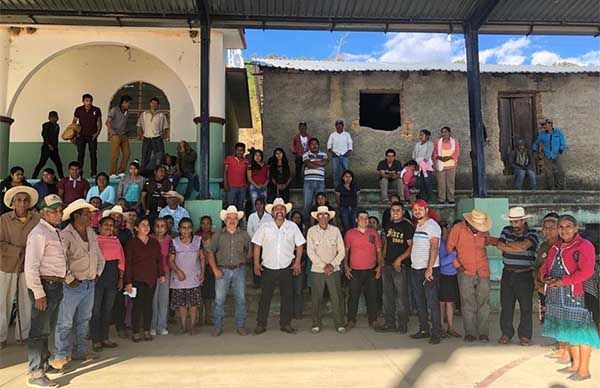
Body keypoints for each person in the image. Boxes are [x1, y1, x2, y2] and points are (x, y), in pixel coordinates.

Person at [540, 215, 599, 381]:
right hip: (558, 296)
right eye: (561, 227)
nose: (564, 230)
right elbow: (545, 267)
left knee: (582, 332)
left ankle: (584, 371)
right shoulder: (555, 247)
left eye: (568, 226)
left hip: (577, 295)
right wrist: (546, 278)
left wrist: (563, 281)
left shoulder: (584, 245)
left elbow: (586, 271)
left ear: (576, 228)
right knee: (570, 331)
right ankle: (575, 365)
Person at [51, 199, 105, 370]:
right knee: (65, 322)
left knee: (84, 319)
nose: (91, 217)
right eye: (87, 214)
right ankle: (60, 354)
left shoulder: (91, 233)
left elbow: (98, 256)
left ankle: (80, 351)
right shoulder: (65, 234)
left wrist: (97, 272)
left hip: (89, 283)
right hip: (73, 284)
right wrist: (69, 278)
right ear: (77, 216)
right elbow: (61, 260)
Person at [24, 194, 66, 388]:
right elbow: (31, 266)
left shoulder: (54, 231)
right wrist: (39, 293)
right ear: (43, 213)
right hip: (45, 286)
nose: (58, 214)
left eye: (60, 210)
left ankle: (43, 363)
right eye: (53, 211)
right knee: (38, 331)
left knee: (46, 329)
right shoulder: (39, 233)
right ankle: (35, 373)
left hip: (55, 285)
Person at [252, 198, 305, 335]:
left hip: (286, 267)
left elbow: (300, 245)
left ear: (285, 211)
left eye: (282, 209)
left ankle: (285, 324)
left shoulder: (292, 226)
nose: (279, 211)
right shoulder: (265, 227)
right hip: (268, 268)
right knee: (265, 297)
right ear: (272, 212)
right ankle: (261, 324)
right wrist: (256, 263)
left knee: (287, 297)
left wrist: (298, 262)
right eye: (277, 209)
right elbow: (257, 245)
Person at [0, 186, 40, 348]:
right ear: (12, 203)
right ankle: (1, 337)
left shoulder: (37, 219)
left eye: (25, 200)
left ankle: (23, 335)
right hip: (6, 264)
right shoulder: (3, 219)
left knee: (26, 301)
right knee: (3, 302)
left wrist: (30, 254)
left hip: (29, 266)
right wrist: (19, 251)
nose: (22, 203)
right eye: (19, 200)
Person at [446, 209, 495, 343]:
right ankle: (470, 333)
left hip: (482, 270)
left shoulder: (484, 230)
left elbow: (489, 240)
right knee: (467, 303)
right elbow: (450, 247)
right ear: (469, 223)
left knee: (484, 303)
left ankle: (484, 333)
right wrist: (458, 266)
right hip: (465, 271)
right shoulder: (458, 229)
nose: (479, 228)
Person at [494, 207, 539, 346]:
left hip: (525, 274)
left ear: (524, 220)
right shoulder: (506, 230)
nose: (514, 225)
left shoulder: (532, 232)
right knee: (506, 306)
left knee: (526, 307)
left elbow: (524, 246)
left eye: (517, 221)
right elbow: (499, 245)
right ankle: (506, 333)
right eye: (512, 222)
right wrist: (515, 246)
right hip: (508, 273)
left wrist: (508, 245)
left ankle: (525, 335)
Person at [206, 206, 251, 336]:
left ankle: (240, 325)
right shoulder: (218, 235)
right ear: (225, 220)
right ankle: (218, 326)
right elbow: (210, 252)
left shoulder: (244, 235)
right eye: (229, 218)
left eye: (234, 218)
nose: (232, 220)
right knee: (219, 300)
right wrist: (215, 269)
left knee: (241, 299)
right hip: (222, 270)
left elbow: (250, 251)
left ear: (238, 220)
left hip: (239, 270)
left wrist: (242, 263)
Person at [124, 217, 166, 342]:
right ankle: (136, 331)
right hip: (137, 278)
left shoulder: (153, 242)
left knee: (149, 305)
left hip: (151, 278)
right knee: (137, 305)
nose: (146, 227)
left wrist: (161, 274)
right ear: (136, 228)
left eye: (148, 225)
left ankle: (147, 330)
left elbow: (158, 260)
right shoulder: (131, 243)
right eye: (143, 225)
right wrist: (128, 281)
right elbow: (128, 263)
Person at [376, 202, 414, 334]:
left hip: (400, 266)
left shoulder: (407, 226)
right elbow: (386, 243)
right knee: (387, 296)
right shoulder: (389, 225)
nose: (395, 212)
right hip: (388, 264)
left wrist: (399, 259)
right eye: (393, 210)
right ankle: (389, 323)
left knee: (401, 296)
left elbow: (411, 246)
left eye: (398, 210)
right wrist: (382, 261)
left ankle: (403, 324)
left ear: (403, 212)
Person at [306, 206, 346, 333]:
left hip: (333, 269)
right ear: (317, 217)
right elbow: (310, 251)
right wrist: (324, 265)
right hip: (317, 269)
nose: (323, 217)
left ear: (329, 217)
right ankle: (315, 323)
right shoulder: (311, 231)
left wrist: (332, 264)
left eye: (325, 215)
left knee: (336, 297)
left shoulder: (335, 231)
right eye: (320, 215)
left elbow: (342, 251)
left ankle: (339, 323)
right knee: (316, 297)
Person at [409, 199, 442, 345]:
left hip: (429, 270)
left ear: (426, 210)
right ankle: (424, 329)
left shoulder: (432, 226)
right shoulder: (418, 225)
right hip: (416, 269)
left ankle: (436, 332)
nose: (417, 211)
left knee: (432, 302)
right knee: (420, 302)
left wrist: (429, 268)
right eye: (415, 209)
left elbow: (434, 247)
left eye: (420, 209)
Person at [91, 215, 124, 352]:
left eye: (111, 225)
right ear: (99, 227)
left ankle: (105, 337)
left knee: (107, 309)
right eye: (106, 225)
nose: (109, 227)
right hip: (98, 277)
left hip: (112, 276)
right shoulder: (95, 240)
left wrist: (121, 278)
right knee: (96, 309)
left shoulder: (116, 241)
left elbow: (121, 261)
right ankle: (96, 339)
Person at [344, 210, 382, 330]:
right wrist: (346, 266)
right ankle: (351, 320)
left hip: (371, 270)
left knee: (372, 296)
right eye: (361, 217)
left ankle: (373, 320)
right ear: (356, 220)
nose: (364, 220)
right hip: (355, 270)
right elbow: (346, 251)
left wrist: (380, 267)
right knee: (353, 297)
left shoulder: (374, 233)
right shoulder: (350, 234)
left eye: (366, 218)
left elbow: (379, 252)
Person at [534, 213, 563, 357]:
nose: (548, 231)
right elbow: (537, 267)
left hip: (559, 289)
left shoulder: (563, 245)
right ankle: (558, 342)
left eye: (552, 227)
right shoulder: (544, 246)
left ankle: (563, 346)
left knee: (561, 316)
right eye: (545, 228)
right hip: (543, 289)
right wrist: (537, 284)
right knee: (548, 317)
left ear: (559, 229)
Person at [169, 218, 204, 335]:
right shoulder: (174, 242)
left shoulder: (198, 241)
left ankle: (193, 326)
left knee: (193, 305)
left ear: (192, 229)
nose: (186, 230)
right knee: (181, 305)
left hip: (194, 277)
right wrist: (178, 271)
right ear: (179, 229)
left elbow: (202, 258)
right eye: (183, 228)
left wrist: (203, 272)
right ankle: (183, 326)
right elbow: (171, 261)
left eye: (189, 227)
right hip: (179, 278)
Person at [150, 218, 172, 336]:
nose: (160, 229)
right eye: (157, 226)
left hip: (166, 273)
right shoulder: (150, 239)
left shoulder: (169, 240)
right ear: (154, 228)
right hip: (152, 273)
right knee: (153, 301)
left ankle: (162, 326)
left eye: (162, 226)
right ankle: (152, 326)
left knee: (163, 300)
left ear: (166, 228)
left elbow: (171, 257)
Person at [438, 221, 460, 338]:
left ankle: (450, 328)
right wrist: (453, 254)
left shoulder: (452, 243)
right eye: (449, 227)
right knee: (442, 303)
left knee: (450, 303)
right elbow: (441, 262)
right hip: (443, 275)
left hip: (452, 275)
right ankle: (442, 327)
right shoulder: (441, 244)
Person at [72, 94, 102, 178]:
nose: (88, 103)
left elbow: (99, 122)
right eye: (87, 101)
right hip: (81, 135)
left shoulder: (96, 110)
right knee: (80, 155)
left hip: (92, 136)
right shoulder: (78, 110)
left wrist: (97, 133)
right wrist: (74, 134)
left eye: (90, 101)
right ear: (83, 101)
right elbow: (74, 122)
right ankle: (79, 173)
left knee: (93, 154)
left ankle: (94, 173)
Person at [532, 118, 567, 190]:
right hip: (547, 155)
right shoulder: (542, 135)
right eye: (543, 125)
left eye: (545, 124)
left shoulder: (558, 132)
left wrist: (561, 148)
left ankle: (561, 187)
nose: (544, 126)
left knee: (561, 171)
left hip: (557, 154)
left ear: (550, 124)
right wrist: (534, 150)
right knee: (549, 173)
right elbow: (536, 143)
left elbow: (562, 142)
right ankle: (551, 188)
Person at [137, 97, 169, 172]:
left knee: (159, 157)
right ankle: (143, 174)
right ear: (150, 104)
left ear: (158, 105)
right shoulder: (144, 114)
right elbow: (139, 125)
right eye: (152, 103)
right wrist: (140, 135)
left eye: (156, 104)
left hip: (157, 138)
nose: (154, 105)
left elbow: (166, 127)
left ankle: (159, 173)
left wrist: (162, 136)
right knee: (145, 156)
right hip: (146, 138)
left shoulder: (161, 115)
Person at [195, 216, 215, 326]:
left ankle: (208, 317)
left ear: (211, 225)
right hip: (198, 267)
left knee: (209, 295)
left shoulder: (214, 236)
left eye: (208, 223)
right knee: (200, 294)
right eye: (203, 223)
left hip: (211, 268)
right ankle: (200, 318)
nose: (205, 225)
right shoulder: (196, 236)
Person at [32, 111, 64, 179]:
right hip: (46, 148)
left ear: (57, 118)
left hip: (54, 149)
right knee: (41, 163)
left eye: (55, 117)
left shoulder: (57, 126)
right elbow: (44, 135)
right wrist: (49, 145)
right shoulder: (46, 125)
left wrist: (55, 147)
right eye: (52, 117)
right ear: (49, 118)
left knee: (59, 164)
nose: (54, 119)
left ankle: (62, 178)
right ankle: (33, 177)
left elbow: (56, 137)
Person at [302, 138, 328, 222]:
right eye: (312, 144)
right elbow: (308, 164)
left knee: (321, 204)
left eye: (316, 144)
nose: (314, 145)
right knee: (307, 204)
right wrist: (319, 163)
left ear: (318, 145)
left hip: (320, 182)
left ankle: (320, 222)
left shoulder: (324, 154)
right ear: (309, 146)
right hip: (308, 182)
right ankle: (306, 224)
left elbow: (325, 162)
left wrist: (313, 162)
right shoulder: (306, 154)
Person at [106, 95, 132, 178]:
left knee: (127, 153)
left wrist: (128, 131)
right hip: (116, 135)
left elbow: (124, 123)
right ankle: (112, 173)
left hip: (124, 135)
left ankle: (121, 171)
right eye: (128, 103)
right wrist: (111, 131)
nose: (129, 105)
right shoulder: (114, 110)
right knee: (115, 154)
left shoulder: (127, 112)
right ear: (123, 102)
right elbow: (108, 122)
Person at [433, 127, 460, 204]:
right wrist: (439, 157)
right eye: (442, 132)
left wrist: (449, 157)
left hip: (451, 165)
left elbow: (457, 152)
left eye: (445, 132)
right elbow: (434, 152)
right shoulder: (437, 142)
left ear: (449, 133)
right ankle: (441, 199)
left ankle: (451, 198)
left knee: (450, 182)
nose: (444, 134)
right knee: (441, 183)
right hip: (440, 164)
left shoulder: (454, 142)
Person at [289, 211, 307, 319]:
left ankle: (298, 312)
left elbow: (306, 250)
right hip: (287, 264)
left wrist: (299, 262)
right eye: (295, 218)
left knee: (298, 290)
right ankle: (289, 312)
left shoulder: (304, 231)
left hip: (301, 264)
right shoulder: (287, 230)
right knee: (288, 290)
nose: (297, 220)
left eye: (299, 218)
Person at [327, 119, 353, 188]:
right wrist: (332, 153)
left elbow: (350, 144)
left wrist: (348, 152)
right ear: (335, 126)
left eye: (340, 125)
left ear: (343, 126)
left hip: (345, 156)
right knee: (336, 172)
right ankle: (337, 187)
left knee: (346, 172)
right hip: (335, 156)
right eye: (337, 125)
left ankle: (347, 186)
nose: (339, 126)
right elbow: (329, 145)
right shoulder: (332, 135)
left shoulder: (347, 134)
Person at [224, 143, 249, 211]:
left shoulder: (246, 161)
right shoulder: (229, 159)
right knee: (230, 206)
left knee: (240, 206)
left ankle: (240, 221)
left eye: (241, 150)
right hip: (231, 187)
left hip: (242, 187)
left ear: (244, 151)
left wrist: (247, 185)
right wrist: (225, 184)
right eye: (238, 150)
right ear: (235, 150)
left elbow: (248, 174)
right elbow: (225, 172)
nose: (239, 152)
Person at [412, 130, 434, 202]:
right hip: (418, 166)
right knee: (420, 183)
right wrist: (415, 164)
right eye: (420, 135)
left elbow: (428, 156)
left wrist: (421, 164)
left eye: (422, 135)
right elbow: (414, 155)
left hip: (426, 166)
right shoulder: (417, 144)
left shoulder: (430, 144)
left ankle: (429, 199)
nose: (420, 137)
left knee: (427, 183)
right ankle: (422, 200)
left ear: (427, 136)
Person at [290, 122, 311, 186]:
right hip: (299, 156)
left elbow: (311, 145)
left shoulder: (309, 137)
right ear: (299, 128)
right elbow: (292, 145)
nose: (302, 128)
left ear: (306, 128)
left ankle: (307, 182)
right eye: (301, 127)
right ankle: (298, 182)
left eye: (304, 127)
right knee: (298, 169)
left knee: (307, 169)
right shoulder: (296, 137)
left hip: (307, 156)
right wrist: (294, 151)